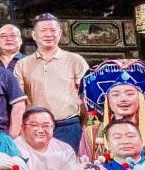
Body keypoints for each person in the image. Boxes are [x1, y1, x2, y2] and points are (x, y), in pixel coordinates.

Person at [77, 59, 145, 159]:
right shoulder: (92, 134)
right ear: (107, 101)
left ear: (141, 99)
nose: (123, 99)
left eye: (130, 94)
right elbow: (83, 168)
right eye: (115, 94)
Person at [14, 14, 90, 149]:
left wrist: (86, 124)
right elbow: (19, 101)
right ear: (34, 35)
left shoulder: (75, 60)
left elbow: (86, 96)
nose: (49, 34)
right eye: (43, 30)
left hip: (68, 127)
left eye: (53, 30)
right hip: (36, 127)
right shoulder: (22, 64)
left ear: (59, 34)